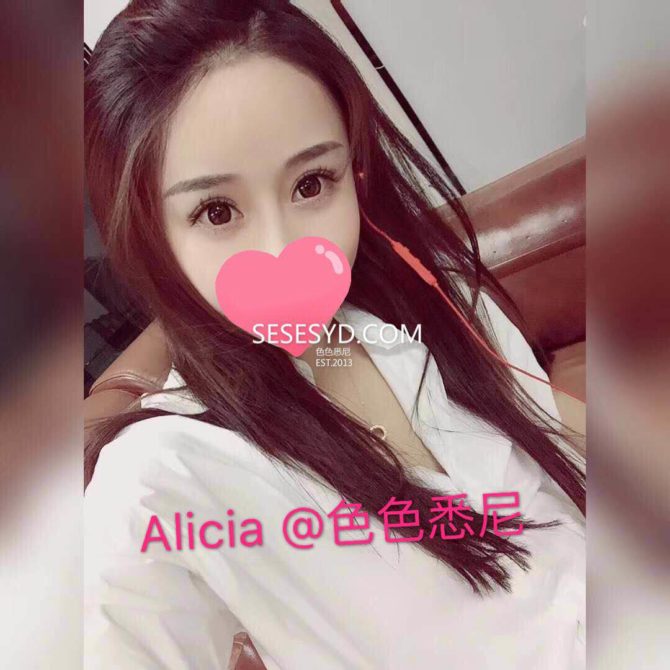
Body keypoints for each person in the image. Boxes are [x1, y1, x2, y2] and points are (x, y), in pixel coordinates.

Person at [84, 1, 585, 667]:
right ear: (153, 237)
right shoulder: (161, 474)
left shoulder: (440, 312)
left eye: (312, 183)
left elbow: (564, 436)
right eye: (217, 211)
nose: (284, 251)